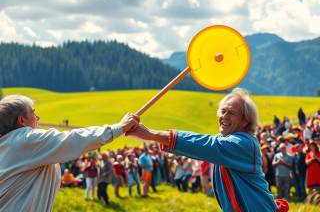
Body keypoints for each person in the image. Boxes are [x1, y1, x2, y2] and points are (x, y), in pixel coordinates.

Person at [126, 88, 287, 211]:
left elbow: (207, 144)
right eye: (223, 111)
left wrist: (150, 134)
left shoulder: (244, 143)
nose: (224, 116)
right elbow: (202, 146)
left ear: (245, 121)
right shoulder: (228, 140)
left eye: (231, 113)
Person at [0, 95, 139, 211]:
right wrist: (119, 128)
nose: (38, 117)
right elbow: (73, 139)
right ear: (21, 120)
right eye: (33, 112)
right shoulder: (25, 140)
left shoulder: (9, 144)